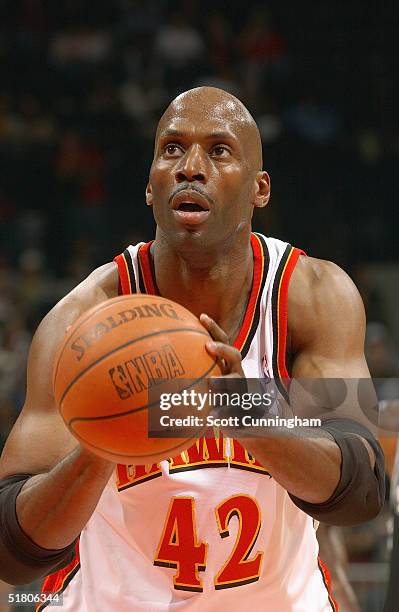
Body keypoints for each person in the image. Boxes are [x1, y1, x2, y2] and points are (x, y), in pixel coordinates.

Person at [0, 87, 384, 611]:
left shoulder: (311, 297)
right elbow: (13, 548)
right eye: (173, 149)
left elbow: (360, 489)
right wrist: (98, 446)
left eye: (219, 151)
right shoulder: (81, 320)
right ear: (150, 187)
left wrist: (250, 416)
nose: (191, 167)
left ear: (260, 188)